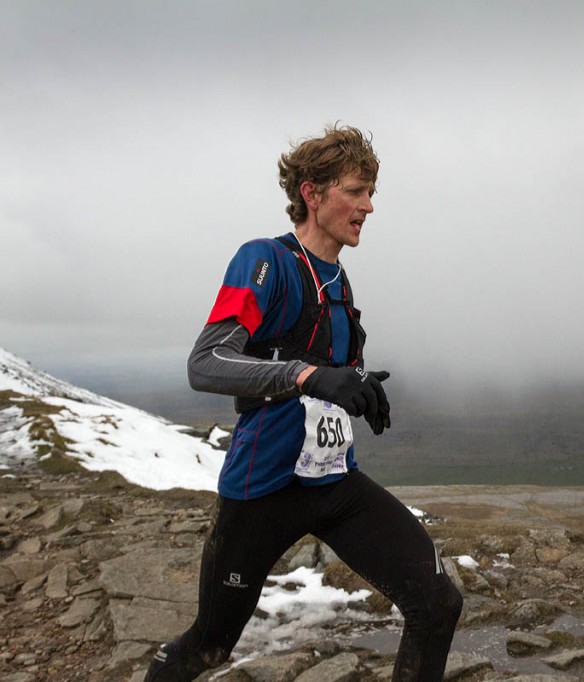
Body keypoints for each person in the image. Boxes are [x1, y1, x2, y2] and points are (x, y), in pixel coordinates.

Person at [144, 124, 462, 682]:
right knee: (210, 645)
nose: (368, 206)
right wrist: (309, 377)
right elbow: (207, 361)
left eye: (371, 194)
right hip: (262, 489)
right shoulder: (265, 261)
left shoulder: (338, 280)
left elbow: (320, 367)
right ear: (312, 193)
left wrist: (356, 383)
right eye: (355, 191)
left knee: (438, 604)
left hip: (334, 483)